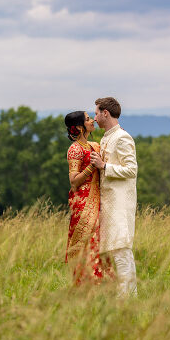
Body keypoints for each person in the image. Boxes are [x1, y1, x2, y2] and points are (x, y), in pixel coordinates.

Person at [90, 97, 138, 297]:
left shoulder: (122, 138)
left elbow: (131, 170)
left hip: (119, 204)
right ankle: (125, 295)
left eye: (96, 113)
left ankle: (127, 298)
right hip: (109, 205)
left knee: (121, 250)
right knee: (114, 250)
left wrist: (104, 166)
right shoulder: (106, 137)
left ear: (105, 113)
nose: (94, 118)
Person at [64, 110, 104, 284]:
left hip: (97, 198)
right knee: (86, 243)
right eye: (88, 120)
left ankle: (98, 282)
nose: (92, 121)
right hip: (83, 202)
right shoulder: (75, 150)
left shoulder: (94, 146)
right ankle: (83, 284)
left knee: (97, 242)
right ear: (80, 127)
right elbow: (73, 182)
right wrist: (92, 168)